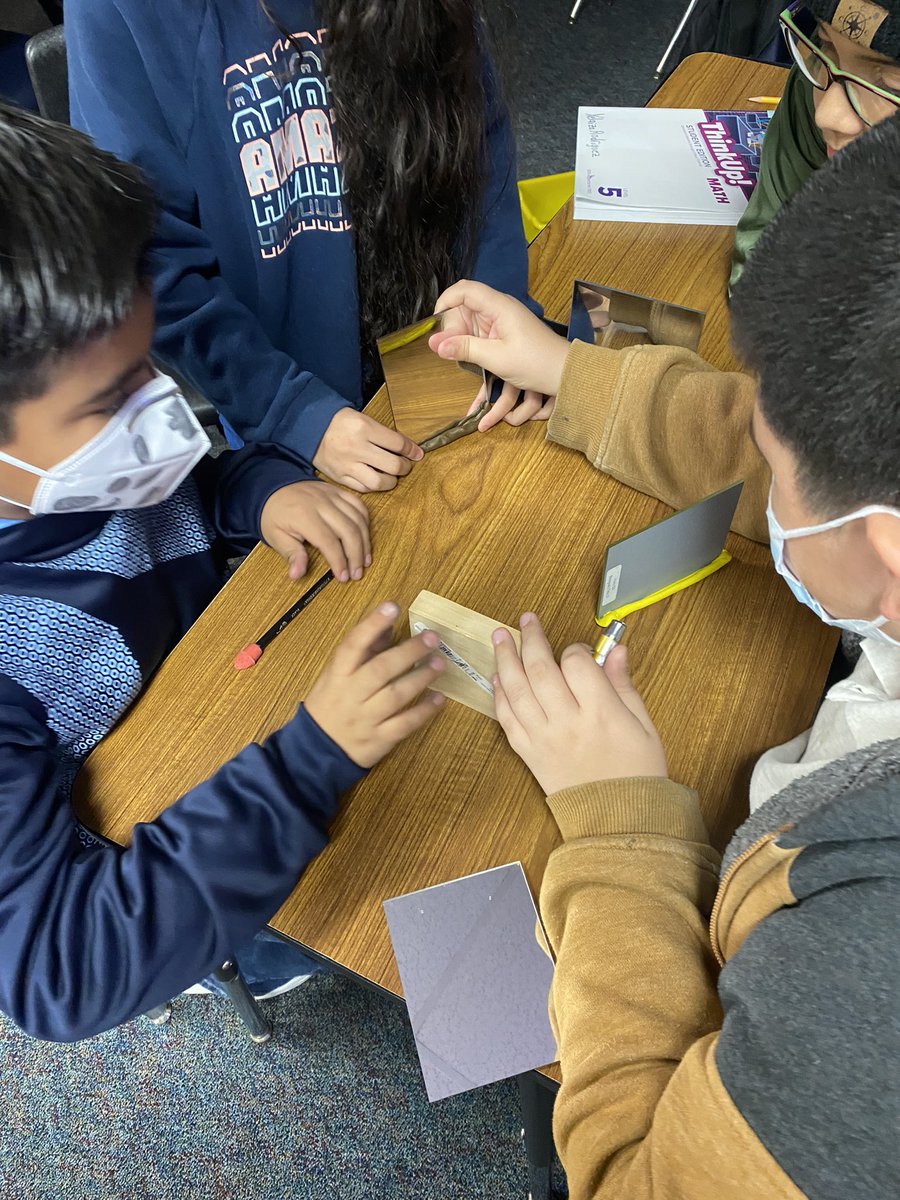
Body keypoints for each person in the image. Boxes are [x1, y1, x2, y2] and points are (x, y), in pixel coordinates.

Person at [486, 116, 900, 1196]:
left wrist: (620, 820)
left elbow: (637, 1178)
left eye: (773, 451)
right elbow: (797, 446)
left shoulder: (872, 975)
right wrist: (577, 375)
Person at [0, 103, 448, 1042]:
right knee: (431, 943)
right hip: (185, 844)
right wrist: (306, 765)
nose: (163, 411)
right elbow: (60, 970)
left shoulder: (76, 453)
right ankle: (258, 970)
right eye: (110, 402)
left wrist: (254, 493)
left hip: (253, 694)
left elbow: (185, 482)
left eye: (150, 366)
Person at [65, 0, 544, 494]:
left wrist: (499, 307)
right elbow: (150, 253)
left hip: (452, 345)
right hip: (290, 393)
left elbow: (475, 141)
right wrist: (290, 411)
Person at [731, 0, 900, 288]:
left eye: (891, 86)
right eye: (827, 44)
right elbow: (769, 263)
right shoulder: (818, 80)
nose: (827, 115)